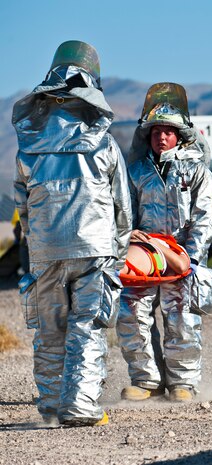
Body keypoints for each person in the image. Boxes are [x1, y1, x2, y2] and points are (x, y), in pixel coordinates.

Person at [12, 40, 132, 426]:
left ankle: (50, 405)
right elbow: (122, 207)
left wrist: (37, 245)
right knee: (87, 326)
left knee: (50, 328)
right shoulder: (105, 144)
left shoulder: (27, 148)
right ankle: (79, 407)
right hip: (94, 249)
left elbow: (23, 207)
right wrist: (119, 249)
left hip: (45, 249)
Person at [116, 82, 212, 402]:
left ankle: (182, 383)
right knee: (132, 313)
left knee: (181, 316)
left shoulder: (197, 172)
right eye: (156, 131)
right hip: (145, 257)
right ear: (148, 136)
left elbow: (206, 216)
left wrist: (189, 257)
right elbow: (122, 212)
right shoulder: (134, 172)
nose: (162, 137)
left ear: (181, 135)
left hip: (181, 256)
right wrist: (128, 237)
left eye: (169, 131)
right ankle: (146, 380)